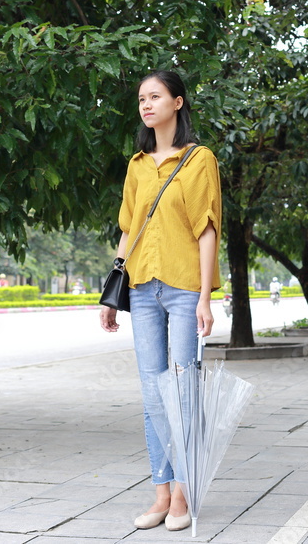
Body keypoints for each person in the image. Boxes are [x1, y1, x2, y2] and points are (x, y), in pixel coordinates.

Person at [99, 70, 222, 532]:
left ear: (178, 102)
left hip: (184, 286)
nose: (146, 105)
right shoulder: (137, 165)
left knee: (181, 389)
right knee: (152, 392)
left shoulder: (198, 160)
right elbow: (128, 229)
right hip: (141, 288)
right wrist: (112, 292)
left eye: (155, 97)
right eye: (141, 99)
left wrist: (206, 296)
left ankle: (185, 494)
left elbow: (207, 228)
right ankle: (161, 493)